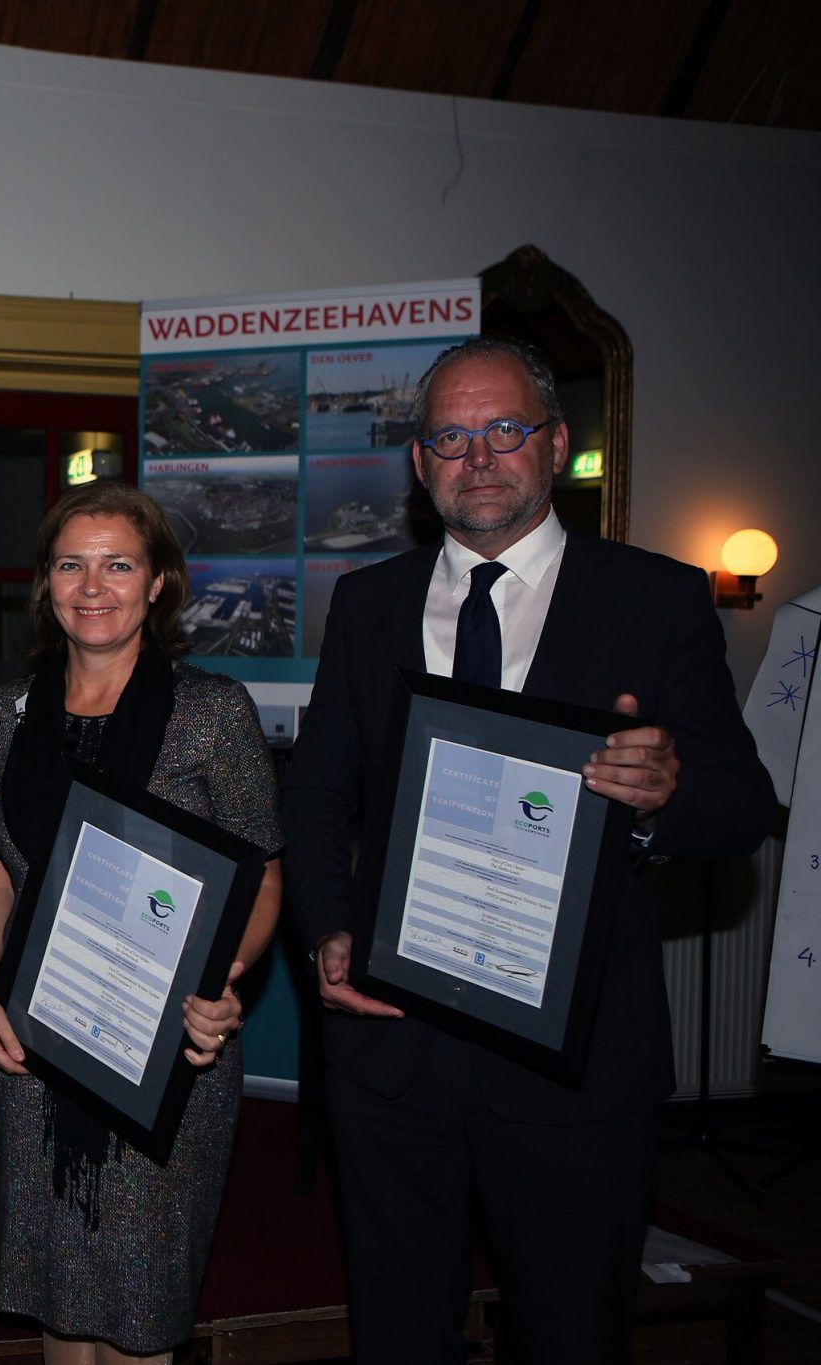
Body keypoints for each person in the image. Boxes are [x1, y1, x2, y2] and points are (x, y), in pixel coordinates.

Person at [281, 336, 775, 1363]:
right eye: (450, 437)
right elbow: (318, 791)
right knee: (397, 1339)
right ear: (419, 463)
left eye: (504, 430)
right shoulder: (368, 603)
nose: (478, 457)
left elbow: (740, 804)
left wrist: (662, 794)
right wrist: (327, 927)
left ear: (553, 444)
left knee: (569, 1336)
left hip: (574, 1065)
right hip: (391, 1051)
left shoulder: (656, 597)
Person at [0, 483, 282, 1364]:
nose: (93, 586)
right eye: (72, 564)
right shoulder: (5, 715)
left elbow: (260, 876)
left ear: (159, 582)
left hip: (162, 1042)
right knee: (59, 1299)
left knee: (140, 1306)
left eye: (119, 565)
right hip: (34, 1040)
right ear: (46, 583)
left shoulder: (213, 713)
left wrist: (220, 979)